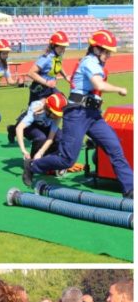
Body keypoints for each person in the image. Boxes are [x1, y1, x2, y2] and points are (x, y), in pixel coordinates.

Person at [27, 30, 132, 198]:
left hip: (93, 115)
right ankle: (33, 166)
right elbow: (99, 84)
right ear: (96, 49)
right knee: (67, 160)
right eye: (107, 51)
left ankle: (130, 190)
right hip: (77, 113)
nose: (109, 55)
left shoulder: (98, 64)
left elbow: (95, 91)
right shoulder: (89, 62)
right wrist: (119, 89)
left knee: (115, 148)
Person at [7, 32, 70, 143]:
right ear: (53, 45)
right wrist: (46, 82)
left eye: (64, 47)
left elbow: (58, 67)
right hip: (39, 90)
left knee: (62, 103)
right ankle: (14, 129)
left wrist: (66, 77)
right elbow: (31, 73)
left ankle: (56, 132)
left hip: (50, 89)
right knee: (34, 112)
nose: (63, 49)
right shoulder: (45, 58)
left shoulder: (57, 56)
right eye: (61, 47)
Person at [16, 93, 66, 187]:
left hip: (44, 126)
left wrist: (40, 152)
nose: (57, 116)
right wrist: (23, 150)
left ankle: (46, 162)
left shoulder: (57, 115)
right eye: (55, 114)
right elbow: (19, 128)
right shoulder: (36, 107)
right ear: (48, 109)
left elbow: (51, 138)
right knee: (40, 138)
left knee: (60, 138)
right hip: (30, 125)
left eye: (59, 115)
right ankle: (30, 165)